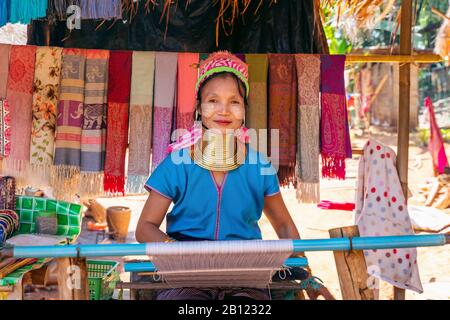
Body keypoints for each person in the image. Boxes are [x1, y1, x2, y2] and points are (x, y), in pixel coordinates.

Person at [136, 51, 334, 300]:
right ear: (198, 107)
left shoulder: (258, 166)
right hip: (186, 277)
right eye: (212, 100)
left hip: (245, 278)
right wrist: (179, 253)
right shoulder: (178, 163)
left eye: (234, 101)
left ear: (244, 109)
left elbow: (283, 225)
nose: (224, 110)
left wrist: (306, 273)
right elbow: (145, 227)